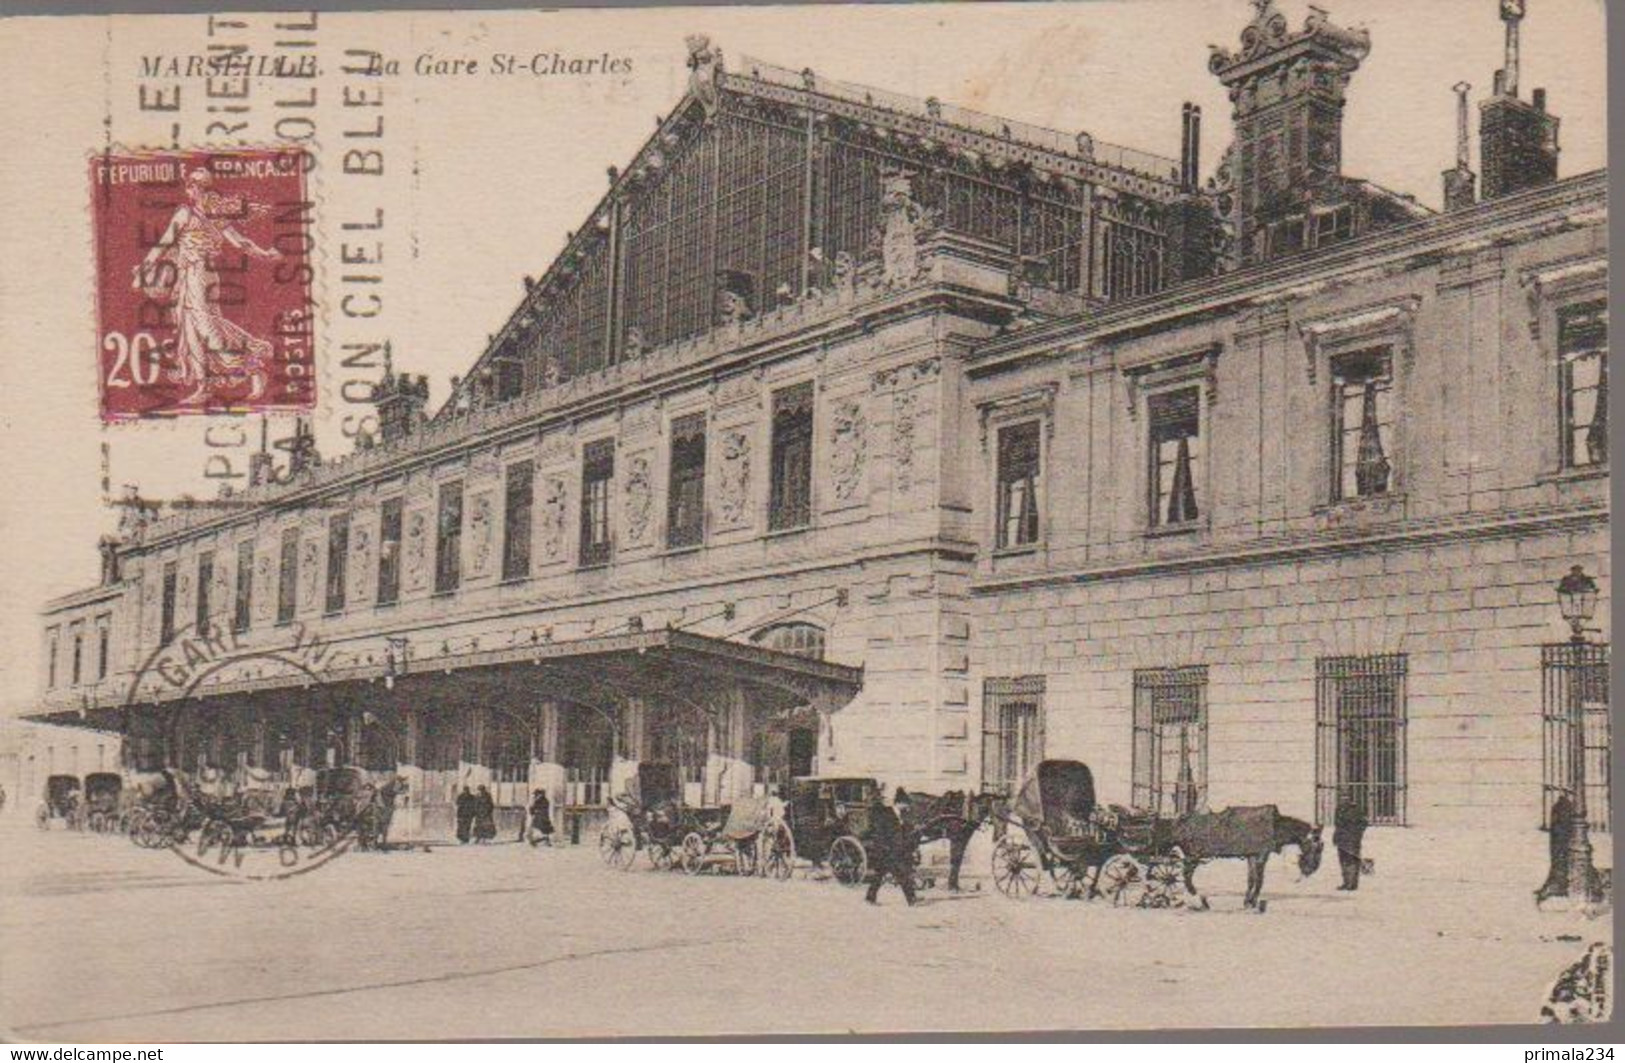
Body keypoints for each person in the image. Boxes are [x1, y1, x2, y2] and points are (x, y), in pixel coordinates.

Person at [864, 788, 918, 906]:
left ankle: (870, 897)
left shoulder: (900, 815)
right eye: (906, 804)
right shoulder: (885, 814)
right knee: (902, 875)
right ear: (899, 803)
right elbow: (879, 833)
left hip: (893, 851)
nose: (907, 807)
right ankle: (912, 900)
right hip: (886, 851)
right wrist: (887, 848)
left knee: (879, 876)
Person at [1536, 792, 1577, 903]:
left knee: (1560, 855)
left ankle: (1559, 883)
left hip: (1562, 834)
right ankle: (1557, 882)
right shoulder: (1561, 807)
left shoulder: (1563, 807)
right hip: (1559, 834)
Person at [1332, 790, 1368, 891]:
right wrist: (1335, 837)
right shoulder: (1339, 809)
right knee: (1343, 861)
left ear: (1350, 798)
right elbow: (1337, 825)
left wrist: (1357, 834)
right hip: (1341, 839)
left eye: (1346, 797)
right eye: (1342, 797)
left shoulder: (1356, 809)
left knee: (1352, 861)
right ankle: (1346, 882)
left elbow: (1363, 823)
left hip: (1352, 839)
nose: (1344, 799)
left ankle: (1352, 884)